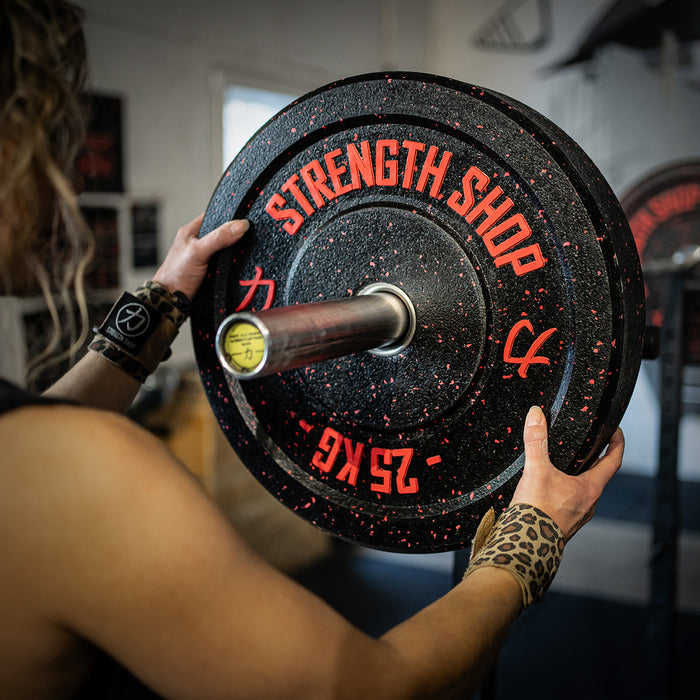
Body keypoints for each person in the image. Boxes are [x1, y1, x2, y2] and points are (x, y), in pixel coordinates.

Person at [0, 1, 625, 698]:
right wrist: (528, 539)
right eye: (51, 144)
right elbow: (370, 691)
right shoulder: (80, 474)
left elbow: (39, 430)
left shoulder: (38, 461)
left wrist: (163, 301)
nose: (73, 179)